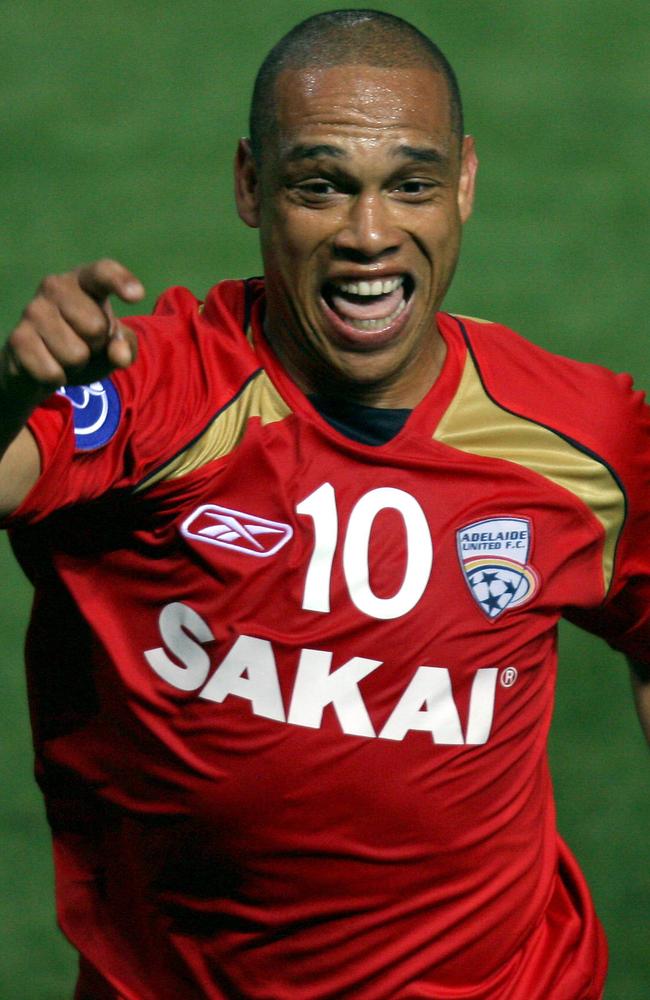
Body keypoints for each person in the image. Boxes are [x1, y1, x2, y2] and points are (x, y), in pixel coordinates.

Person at [0, 8, 647, 999]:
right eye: (320, 185)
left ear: (463, 183)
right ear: (251, 185)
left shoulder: (582, 438)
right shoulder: (157, 387)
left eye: (411, 184)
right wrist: (14, 390)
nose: (368, 234)